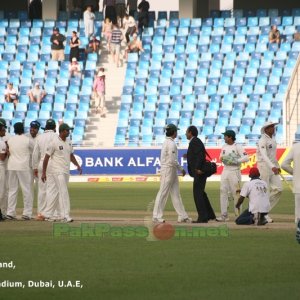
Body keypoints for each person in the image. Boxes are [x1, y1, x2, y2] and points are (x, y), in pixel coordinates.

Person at [40, 123, 82, 222]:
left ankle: (49, 214)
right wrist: (43, 173)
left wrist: (77, 165)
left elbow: (71, 155)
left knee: (55, 192)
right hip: (57, 171)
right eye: (67, 130)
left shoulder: (68, 141)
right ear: (62, 131)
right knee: (63, 192)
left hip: (65, 171)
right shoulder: (53, 142)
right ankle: (65, 215)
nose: (69, 132)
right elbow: (46, 158)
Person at [152, 124, 191, 223]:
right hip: (168, 169)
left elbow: (173, 160)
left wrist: (178, 169)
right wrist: (181, 169)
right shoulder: (171, 144)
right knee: (163, 193)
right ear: (174, 132)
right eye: (176, 131)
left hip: (171, 169)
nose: (177, 133)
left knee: (176, 194)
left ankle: (182, 215)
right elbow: (172, 160)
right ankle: (156, 216)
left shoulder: (168, 142)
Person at [216, 130, 249, 222]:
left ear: (230, 137)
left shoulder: (237, 146)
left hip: (235, 171)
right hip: (225, 170)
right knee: (223, 191)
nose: (224, 138)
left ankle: (238, 216)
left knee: (236, 194)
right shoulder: (224, 146)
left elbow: (246, 157)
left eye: (225, 136)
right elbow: (221, 157)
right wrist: (225, 159)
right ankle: (224, 215)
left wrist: (236, 161)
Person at [185, 125, 216, 223]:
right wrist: (188, 155)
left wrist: (198, 168)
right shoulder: (195, 141)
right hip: (199, 171)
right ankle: (209, 214)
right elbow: (197, 154)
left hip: (199, 172)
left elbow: (200, 156)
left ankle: (203, 217)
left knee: (197, 194)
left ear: (190, 132)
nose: (186, 133)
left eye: (187, 132)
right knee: (201, 193)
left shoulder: (195, 142)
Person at [6, 123, 34, 220]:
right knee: (26, 189)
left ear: (14, 129)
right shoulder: (27, 140)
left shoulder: (10, 140)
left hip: (12, 166)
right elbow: (34, 150)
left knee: (12, 190)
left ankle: (10, 212)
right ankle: (27, 213)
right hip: (23, 167)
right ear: (23, 129)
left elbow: (8, 151)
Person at [256, 121, 282, 223]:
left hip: (272, 167)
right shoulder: (262, 140)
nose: (273, 128)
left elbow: (273, 156)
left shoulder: (273, 139)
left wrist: (277, 166)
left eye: (273, 126)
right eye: (270, 127)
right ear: (266, 129)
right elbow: (264, 155)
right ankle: (263, 214)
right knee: (264, 191)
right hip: (264, 167)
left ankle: (263, 211)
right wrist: (272, 167)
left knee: (279, 189)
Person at [32, 119, 58, 220]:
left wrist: (34, 167)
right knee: (53, 189)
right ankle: (52, 213)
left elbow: (35, 154)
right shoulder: (57, 137)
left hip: (42, 163)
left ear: (46, 127)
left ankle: (41, 213)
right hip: (53, 164)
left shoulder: (40, 137)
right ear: (55, 128)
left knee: (42, 190)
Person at [281, 142, 300, 242]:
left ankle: (298, 236)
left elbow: (284, 164)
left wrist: (294, 173)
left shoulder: (296, 147)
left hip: (298, 186)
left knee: (298, 215)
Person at [0, 120, 8, 221]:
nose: (4, 131)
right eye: (3, 130)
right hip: (0, 167)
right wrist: (7, 152)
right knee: (1, 191)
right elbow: (2, 157)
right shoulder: (2, 142)